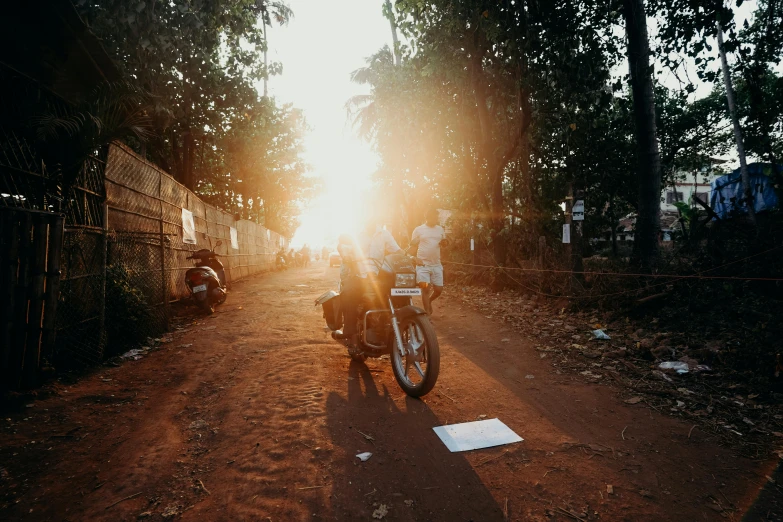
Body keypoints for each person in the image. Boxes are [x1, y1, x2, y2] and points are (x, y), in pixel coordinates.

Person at [334, 219, 402, 351]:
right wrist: (346, 256)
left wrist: (409, 258)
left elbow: (397, 251)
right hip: (359, 275)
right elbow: (342, 246)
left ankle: (391, 327)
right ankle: (352, 337)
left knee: (397, 292)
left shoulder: (384, 234)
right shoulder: (357, 234)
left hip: (380, 275)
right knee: (348, 294)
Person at [411, 208, 449, 315]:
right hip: (422, 265)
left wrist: (445, 243)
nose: (436, 220)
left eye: (437, 218)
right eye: (433, 217)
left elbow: (444, 244)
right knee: (425, 289)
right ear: (427, 218)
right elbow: (412, 246)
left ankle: (430, 301)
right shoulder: (418, 230)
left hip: (436, 264)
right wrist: (414, 258)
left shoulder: (440, 229)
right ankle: (427, 313)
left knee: (439, 289)